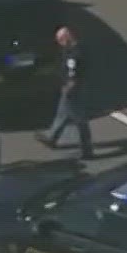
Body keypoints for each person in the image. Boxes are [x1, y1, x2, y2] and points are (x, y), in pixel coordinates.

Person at [36, 26, 95, 159]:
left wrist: (68, 88)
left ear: (66, 38)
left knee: (80, 120)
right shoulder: (77, 48)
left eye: (61, 41)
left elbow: (72, 73)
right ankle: (52, 138)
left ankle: (87, 150)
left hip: (73, 90)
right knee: (62, 114)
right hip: (74, 87)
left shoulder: (73, 54)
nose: (60, 44)